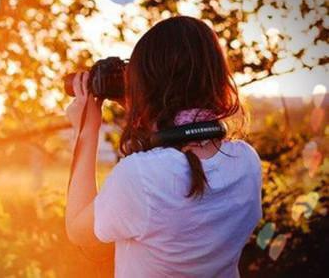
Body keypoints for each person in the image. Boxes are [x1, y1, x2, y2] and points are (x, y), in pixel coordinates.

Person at [64, 16, 262, 277]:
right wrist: (143, 111)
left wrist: (86, 130)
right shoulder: (246, 161)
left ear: (146, 84)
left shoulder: (142, 176)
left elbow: (78, 230)